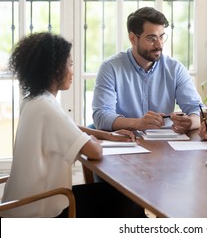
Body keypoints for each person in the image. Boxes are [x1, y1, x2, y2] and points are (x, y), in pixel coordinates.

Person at [0, 32, 147, 217]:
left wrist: (106, 135)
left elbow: (68, 126)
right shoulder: (47, 107)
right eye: (69, 64)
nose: (72, 71)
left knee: (121, 197)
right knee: (127, 198)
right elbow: (95, 151)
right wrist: (92, 138)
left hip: (19, 207)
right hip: (42, 212)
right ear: (54, 70)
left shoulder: (34, 101)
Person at [92, 6, 202, 133]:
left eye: (161, 37)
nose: (159, 45)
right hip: (126, 143)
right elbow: (101, 117)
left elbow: (197, 110)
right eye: (151, 38)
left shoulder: (175, 69)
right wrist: (137, 123)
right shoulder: (110, 68)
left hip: (165, 145)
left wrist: (191, 122)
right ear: (133, 38)